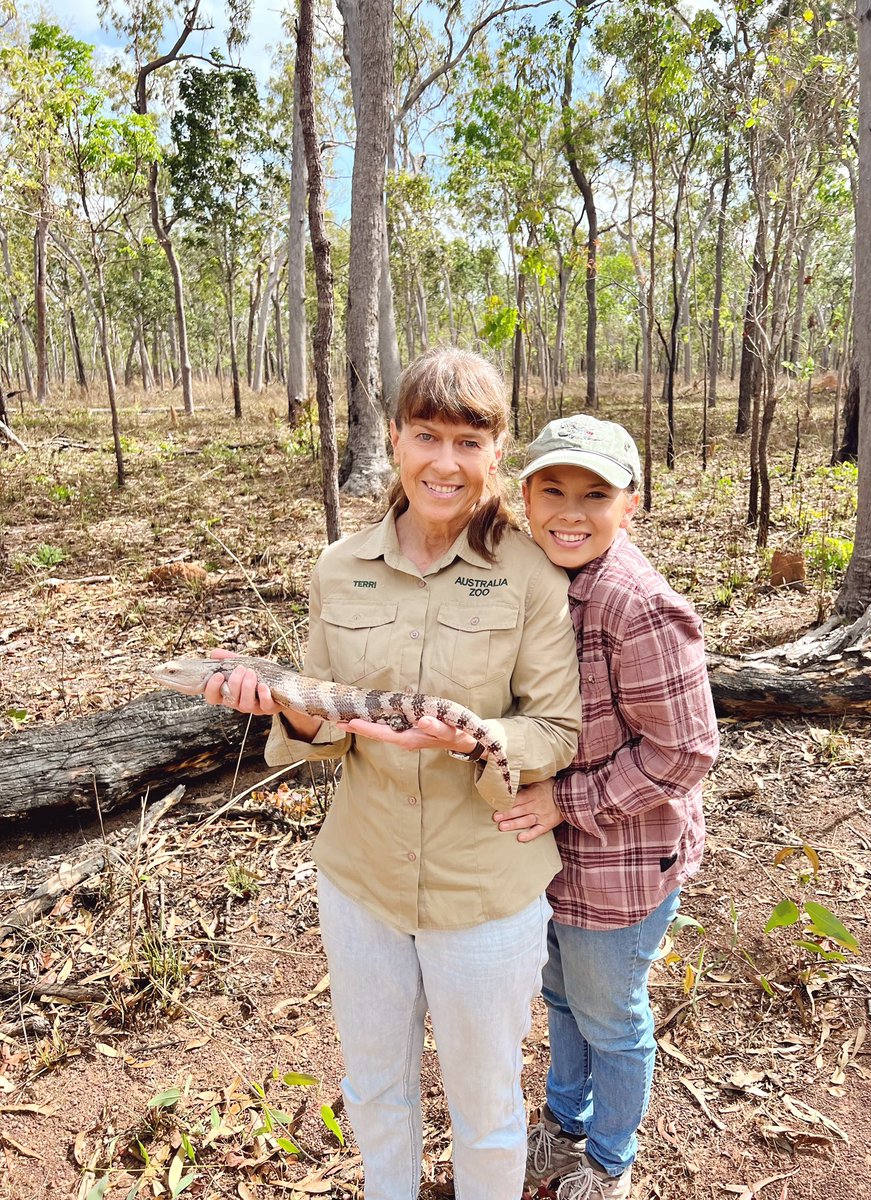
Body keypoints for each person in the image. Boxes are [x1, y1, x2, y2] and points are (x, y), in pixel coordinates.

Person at [200, 348, 582, 1200]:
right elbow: (325, 724)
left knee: (487, 1109)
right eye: (426, 435)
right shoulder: (340, 567)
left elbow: (556, 731)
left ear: (496, 452)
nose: (445, 463)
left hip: (483, 886)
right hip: (361, 880)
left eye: (468, 442)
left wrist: (469, 737)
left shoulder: (529, 574)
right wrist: (285, 707)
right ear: (396, 440)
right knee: (375, 1089)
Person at [495, 415, 719, 1200]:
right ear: (523, 496)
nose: (569, 510)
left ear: (631, 504)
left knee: (611, 1015)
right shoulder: (544, 579)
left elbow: (686, 751)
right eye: (551, 489)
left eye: (595, 494)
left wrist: (566, 801)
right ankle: (563, 1126)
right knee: (561, 996)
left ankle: (609, 1159)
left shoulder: (637, 606)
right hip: (558, 861)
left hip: (619, 867)